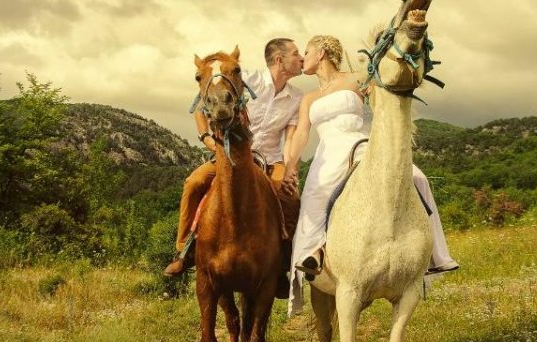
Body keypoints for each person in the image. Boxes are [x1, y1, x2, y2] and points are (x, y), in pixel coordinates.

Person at [281, 35, 459, 313]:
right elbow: (302, 134)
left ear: (323, 54)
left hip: (359, 144)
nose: (303, 57)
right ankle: (314, 253)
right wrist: (291, 165)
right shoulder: (309, 99)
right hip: (328, 153)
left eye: (307, 51)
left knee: (417, 177)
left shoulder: (356, 78)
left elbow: (386, 89)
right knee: (315, 194)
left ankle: (433, 253)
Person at [163, 38, 305, 277]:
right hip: (231, 154)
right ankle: (183, 251)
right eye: (296, 54)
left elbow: (290, 139)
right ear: (280, 60)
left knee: (291, 197)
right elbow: (201, 106)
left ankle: (282, 262)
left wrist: (290, 169)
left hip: (269, 159)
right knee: (193, 183)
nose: (301, 58)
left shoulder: (297, 97)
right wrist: (206, 138)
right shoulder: (246, 78)